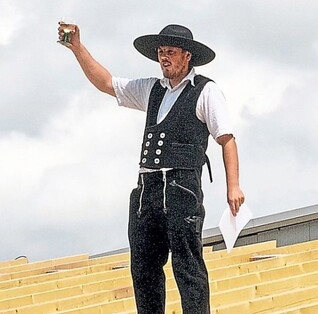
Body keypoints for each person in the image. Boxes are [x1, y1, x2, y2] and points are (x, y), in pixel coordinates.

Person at [58, 22, 246, 314]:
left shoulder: (206, 91)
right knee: (143, 266)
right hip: (147, 189)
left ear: (187, 56)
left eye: (170, 51)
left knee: (187, 264)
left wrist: (233, 186)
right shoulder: (151, 89)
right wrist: (78, 49)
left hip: (182, 187)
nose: (164, 57)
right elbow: (108, 84)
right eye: (160, 52)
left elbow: (227, 139)